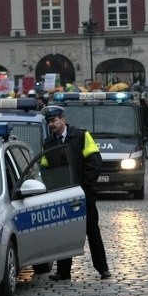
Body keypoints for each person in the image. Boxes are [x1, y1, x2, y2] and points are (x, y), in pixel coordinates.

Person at [41, 104, 111, 281]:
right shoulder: (48, 143)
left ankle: (102, 269)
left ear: (63, 119)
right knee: (64, 233)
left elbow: (95, 162)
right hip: (63, 196)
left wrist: (85, 187)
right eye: (49, 122)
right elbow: (45, 170)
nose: (51, 124)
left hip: (84, 195)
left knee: (92, 232)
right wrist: (55, 189)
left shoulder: (81, 136)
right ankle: (63, 272)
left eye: (54, 120)